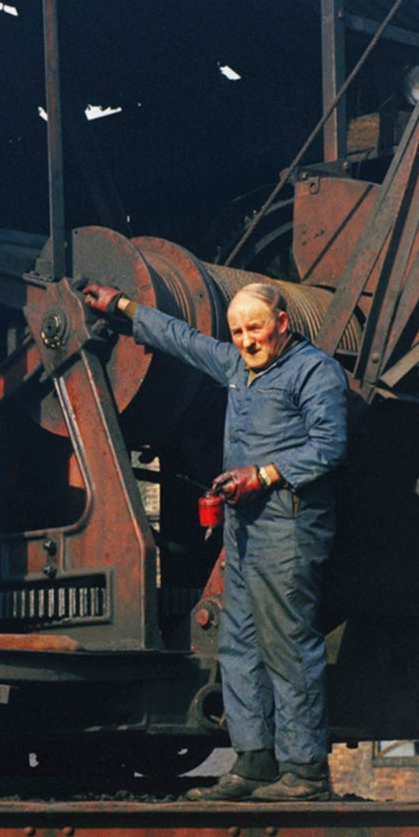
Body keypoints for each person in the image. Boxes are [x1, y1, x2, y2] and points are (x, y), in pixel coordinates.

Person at [80, 276, 349, 800]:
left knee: (288, 646)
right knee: (239, 644)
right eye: (238, 331)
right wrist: (123, 305)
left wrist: (263, 474)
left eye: (256, 329)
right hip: (244, 532)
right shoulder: (235, 367)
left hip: (288, 529)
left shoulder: (315, 373)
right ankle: (253, 763)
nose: (246, 341)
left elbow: (330, 445)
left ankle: (305, 772)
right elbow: (183, 339)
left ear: (282, 324)